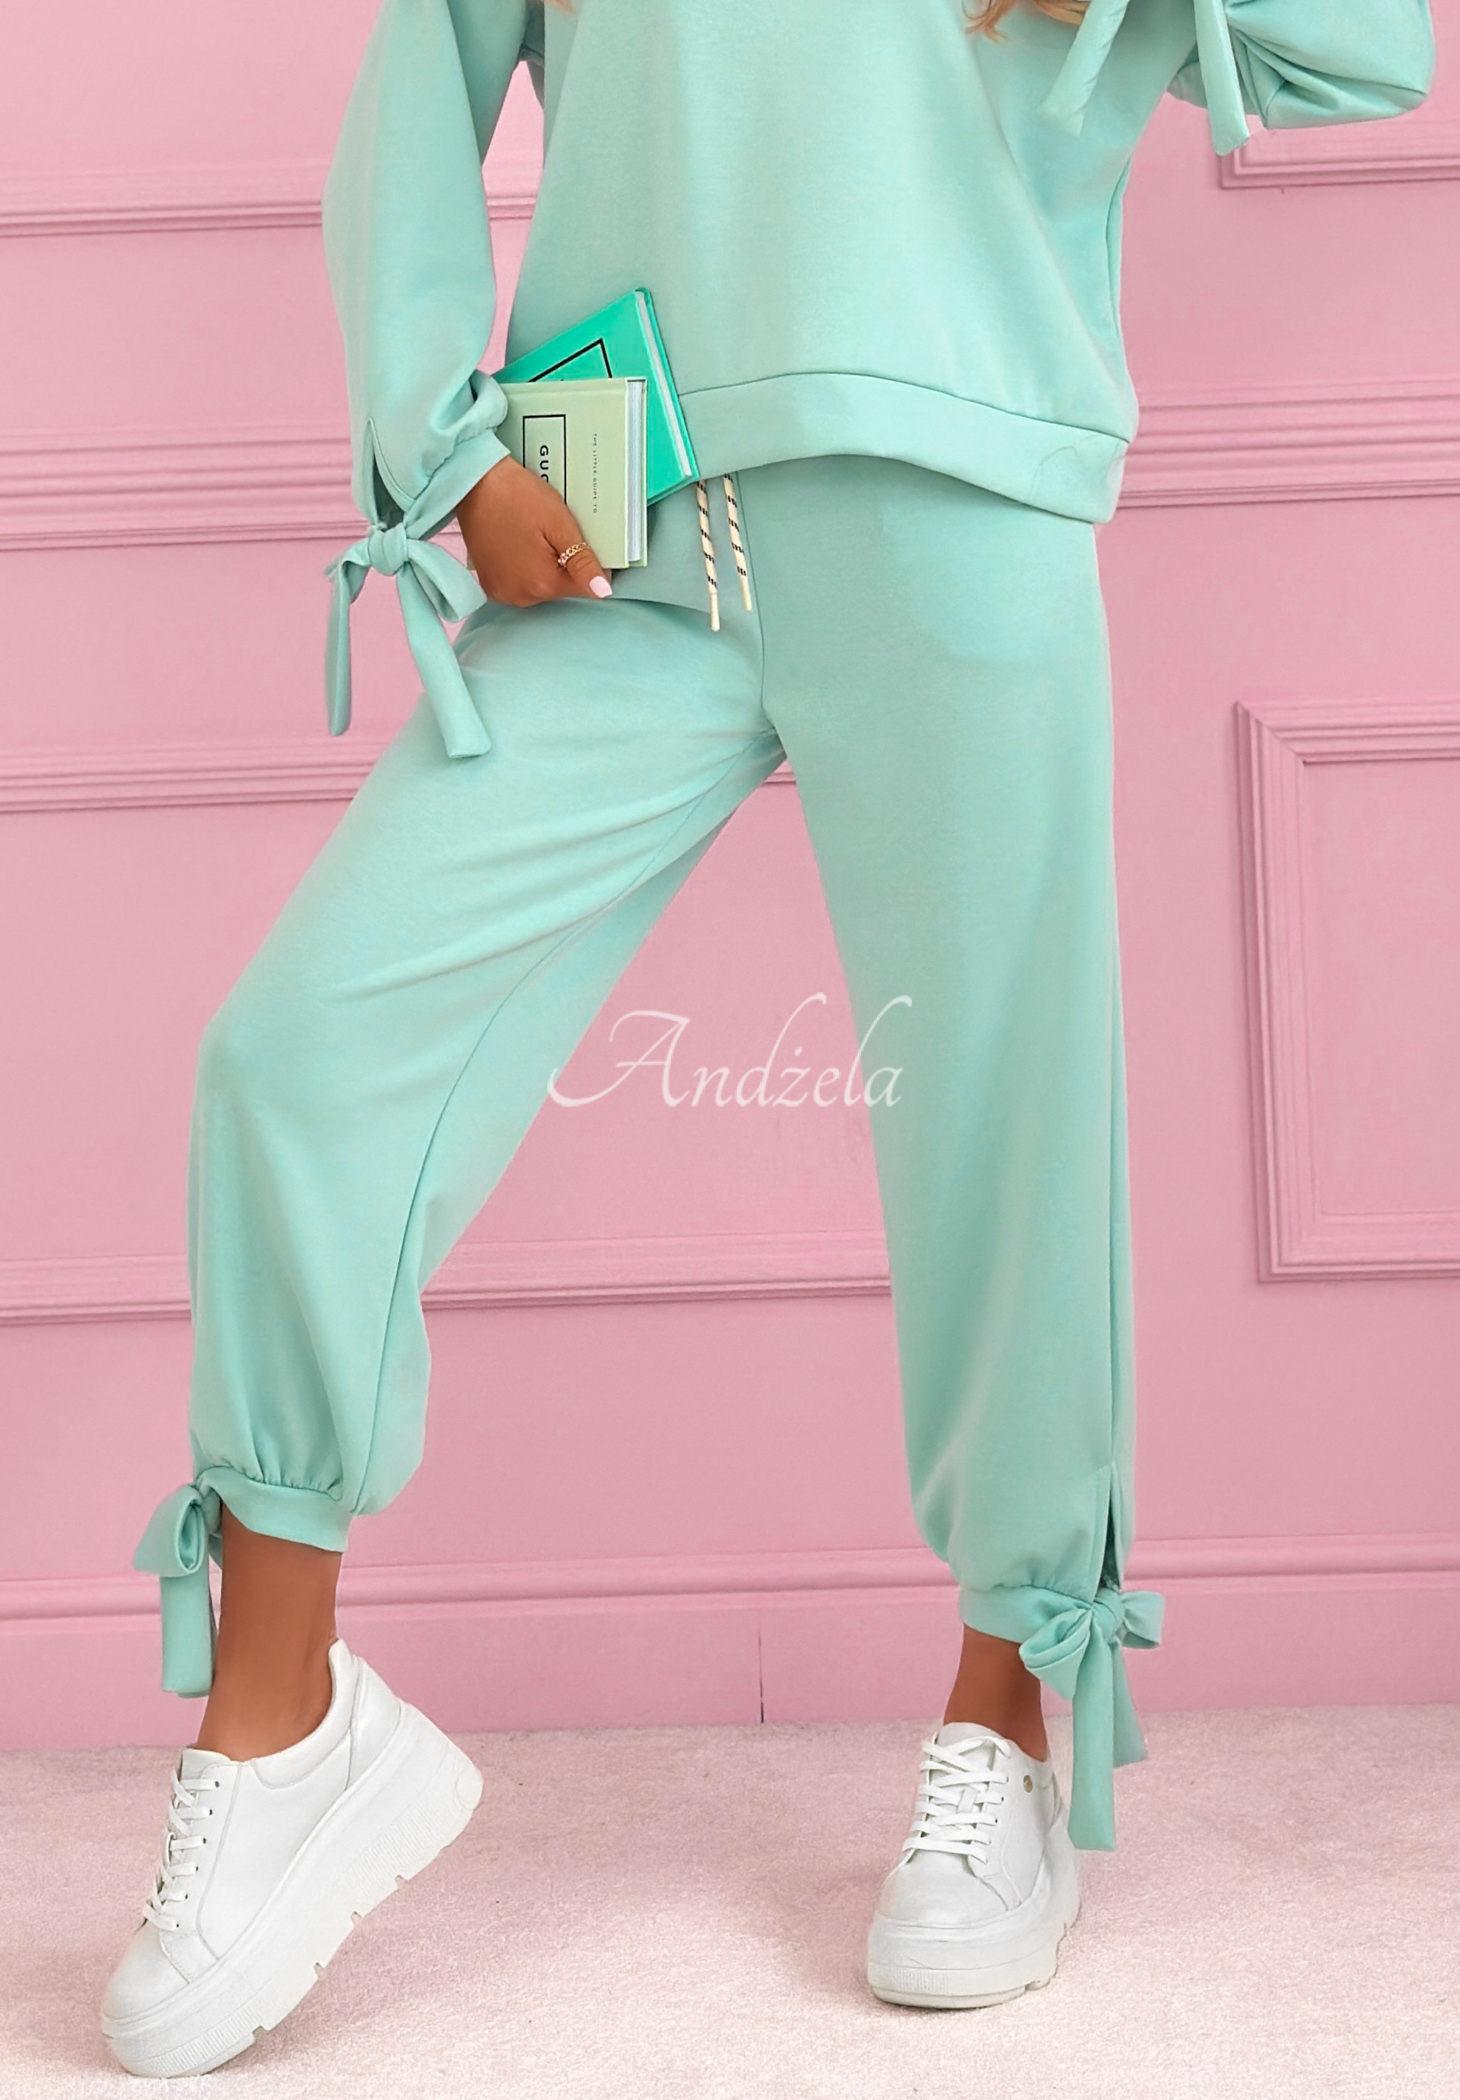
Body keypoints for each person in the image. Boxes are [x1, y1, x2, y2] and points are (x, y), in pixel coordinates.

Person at [99, 0, 1433, 2077]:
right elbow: (422, 72)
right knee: (299, 1057)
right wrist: (443, 444)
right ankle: (281, 1726)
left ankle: (1009, 1703)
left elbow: (1371, 48)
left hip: (957, 492)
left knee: (1002, 1124)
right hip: (608, 510)